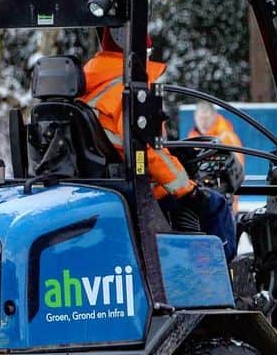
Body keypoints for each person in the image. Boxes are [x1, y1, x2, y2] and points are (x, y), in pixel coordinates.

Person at [82, 29, 238, 262]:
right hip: (141, 190)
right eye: (147, 52)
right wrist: (189, 190)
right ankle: (219, 278)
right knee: (215, 205)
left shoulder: (93, 88)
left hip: (114, 184)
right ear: (136, 54)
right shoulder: (124, 94)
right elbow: (148, 152)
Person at [190, 102, 245, 210]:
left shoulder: (227, 138)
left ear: (214, 117)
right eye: (200, 118)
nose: (203, 123)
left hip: (224, 203)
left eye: (206, 118)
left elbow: (237, 173)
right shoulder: (193, 137)